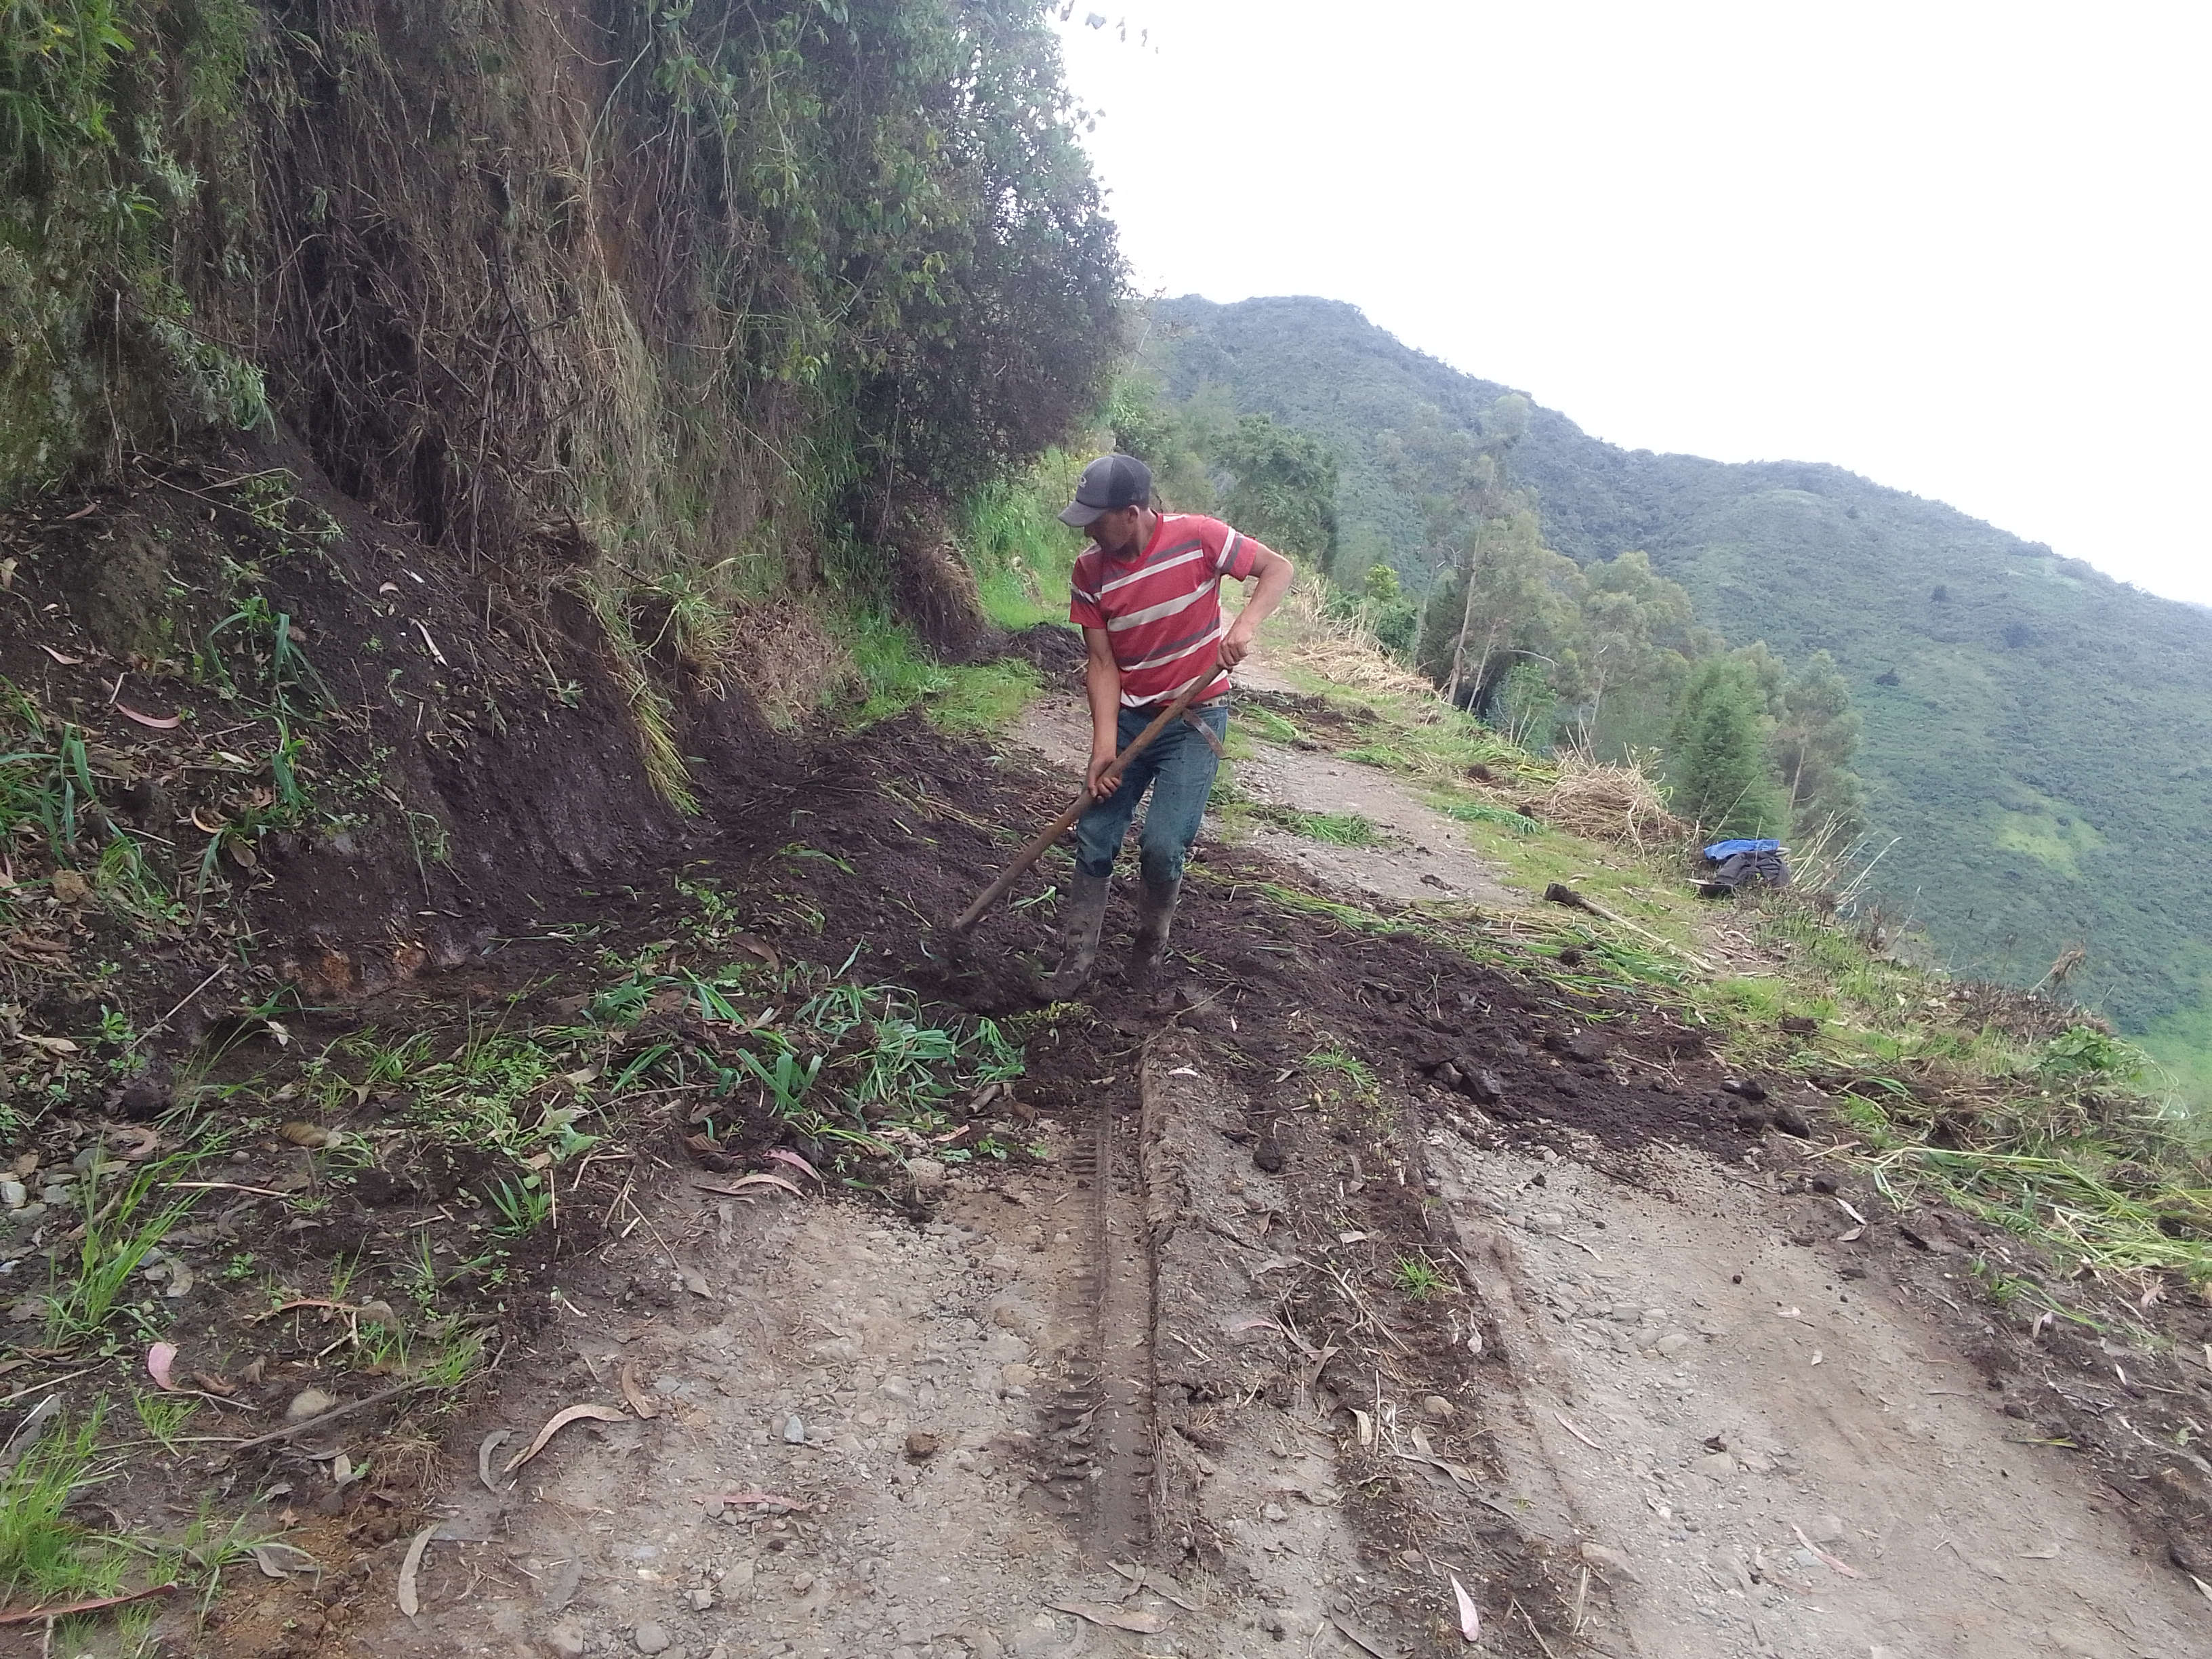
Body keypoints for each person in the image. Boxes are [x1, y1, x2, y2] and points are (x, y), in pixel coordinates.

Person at [1047, 453, 1295, 992]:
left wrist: (1244, 627)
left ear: (1131, 513)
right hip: (1131, 719)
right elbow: (1102, 663)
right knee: (1095, 833)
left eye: (1096, 520)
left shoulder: (1199, 537)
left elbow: (1278, 569)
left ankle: (1148, 951)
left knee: (1162, 846)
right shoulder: (1089, 572)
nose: (1088, 532)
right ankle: (1075, 961)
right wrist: (1104, 747)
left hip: (1194, 719)